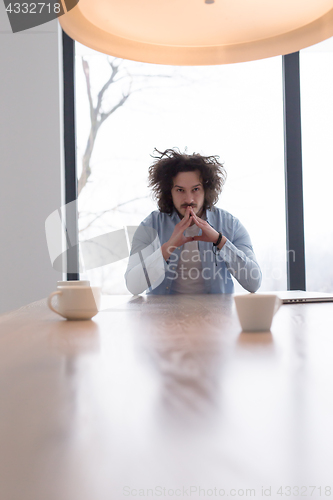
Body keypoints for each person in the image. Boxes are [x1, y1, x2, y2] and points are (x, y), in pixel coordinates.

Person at [125, 148, 262, 295]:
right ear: (169, 192)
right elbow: (133, 286)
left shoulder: (231, 224)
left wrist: (220, 241)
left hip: (217, 315)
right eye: (180, 190)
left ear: (206, 190)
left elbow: (254, 283)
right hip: (163, 316)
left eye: (195, 189)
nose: (189, 199)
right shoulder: (151, 225)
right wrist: (168, 247)